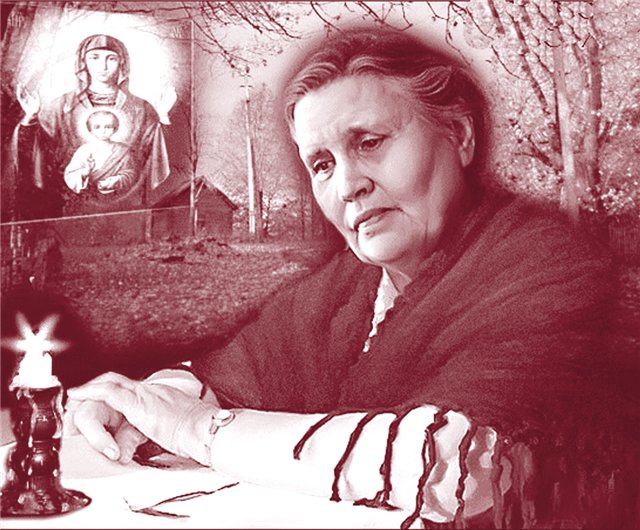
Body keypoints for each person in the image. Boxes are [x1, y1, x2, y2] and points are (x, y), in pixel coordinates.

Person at [65, 28, 637, 528]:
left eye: (369, 143)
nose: (347, 186)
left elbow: (452, 466)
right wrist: (140, 404)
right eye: (322, 164)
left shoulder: (545, 266)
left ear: (459, 135)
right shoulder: (343, 290)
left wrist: (202, 430)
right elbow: (235, 376)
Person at [11, 33, 174, 217]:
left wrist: (163, 116)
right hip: (69, 205)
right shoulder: (61, 105)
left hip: (128, 207)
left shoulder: (141, 108)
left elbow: (158, 158)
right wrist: (31, 117)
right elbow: (38, 154)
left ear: (122, 63)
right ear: (83, 63)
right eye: (94, 58)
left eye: (111, 59)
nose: (103, 66)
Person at [63, 110, 135, 197]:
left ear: (115, 129)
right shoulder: (84, 150)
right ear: (90, 130)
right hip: (89, 196)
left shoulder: (123, 150)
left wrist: (115, 180)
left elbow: (131, 174)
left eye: (108, 127)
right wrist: (85, 172)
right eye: (97, 127)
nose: (103, 131)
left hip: (117, 195)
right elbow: (70, 175)